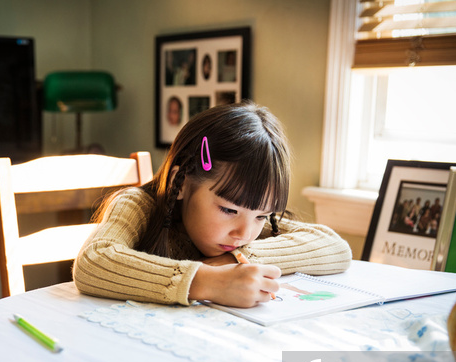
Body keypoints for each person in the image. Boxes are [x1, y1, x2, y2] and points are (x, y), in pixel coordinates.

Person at [73, 101, 352, 309]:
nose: (244, 233)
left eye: (262, 216)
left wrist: (234, 260)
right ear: (178, 184)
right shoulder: (139, 206)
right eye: (229, 210)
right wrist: (208, 280)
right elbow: (93, 262)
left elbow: (335, 247)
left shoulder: (247, 227)